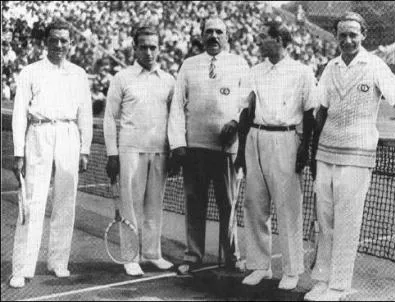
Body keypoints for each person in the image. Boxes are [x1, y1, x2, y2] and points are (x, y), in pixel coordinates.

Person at [305, 12, 395, 301]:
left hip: (358, 155)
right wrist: (312, 150)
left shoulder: (376, 65)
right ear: (336, 36)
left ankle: (339, 284)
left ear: (364, 35)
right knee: (325, 219)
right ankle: (321, 279)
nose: (347, 40)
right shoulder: (330, 67)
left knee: (348, 220)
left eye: (353, 35)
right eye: (342, 35)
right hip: (326, 152)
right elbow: (321, 111)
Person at [10, 20, 93, 288]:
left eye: (64, 40)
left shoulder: (79, 74)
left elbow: (86, 114)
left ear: (70, 43)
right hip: (39, 134)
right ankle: (22, 267)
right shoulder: (30, 71)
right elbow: (20, 113)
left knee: (65, 204)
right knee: (33, 202)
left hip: (69, 135)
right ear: (46, 41)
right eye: (54, 40)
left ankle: (58, 262)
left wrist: (85, 149)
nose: (59, 45)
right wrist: (18, 152)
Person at [235, 21, 316, 289]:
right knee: (254, 204)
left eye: (263, 38)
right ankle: (260, 266)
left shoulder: (302, 71)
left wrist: (304, 149)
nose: (259, 42)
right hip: (255, 139)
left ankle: (292, 271)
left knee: (288, 206)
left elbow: (309, 113)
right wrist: (241, 151)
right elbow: (246, 111)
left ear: (280, 41)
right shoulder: (254, 70)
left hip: (287, 139)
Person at [168, 17, 249, 274]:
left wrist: (236, 122)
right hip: (195, 148)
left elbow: (248, 101)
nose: (213, 36)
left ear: (227, 37)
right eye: (209, 32)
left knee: (228, 203)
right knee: (194, 203)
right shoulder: (189, 65)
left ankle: (231, 256)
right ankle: (193, 255)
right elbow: (177, 106)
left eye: (219, 32)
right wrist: (178, 144)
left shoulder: (239, 64)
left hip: (226, 149)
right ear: (201, 36)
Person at [104, 26, 175, 277]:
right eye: (143, 46)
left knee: (155, 206)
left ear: (160, 49)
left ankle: (152, 254)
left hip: (160, 151)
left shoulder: (169, 81)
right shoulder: (122, 78)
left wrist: (175, 150)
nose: (148, 51)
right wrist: (112, 154)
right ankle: (130, 256)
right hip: (130, 151)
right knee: (130, 206)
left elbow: (175, 119)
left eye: (153, 47)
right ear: (134, 48)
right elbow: (110, 118)